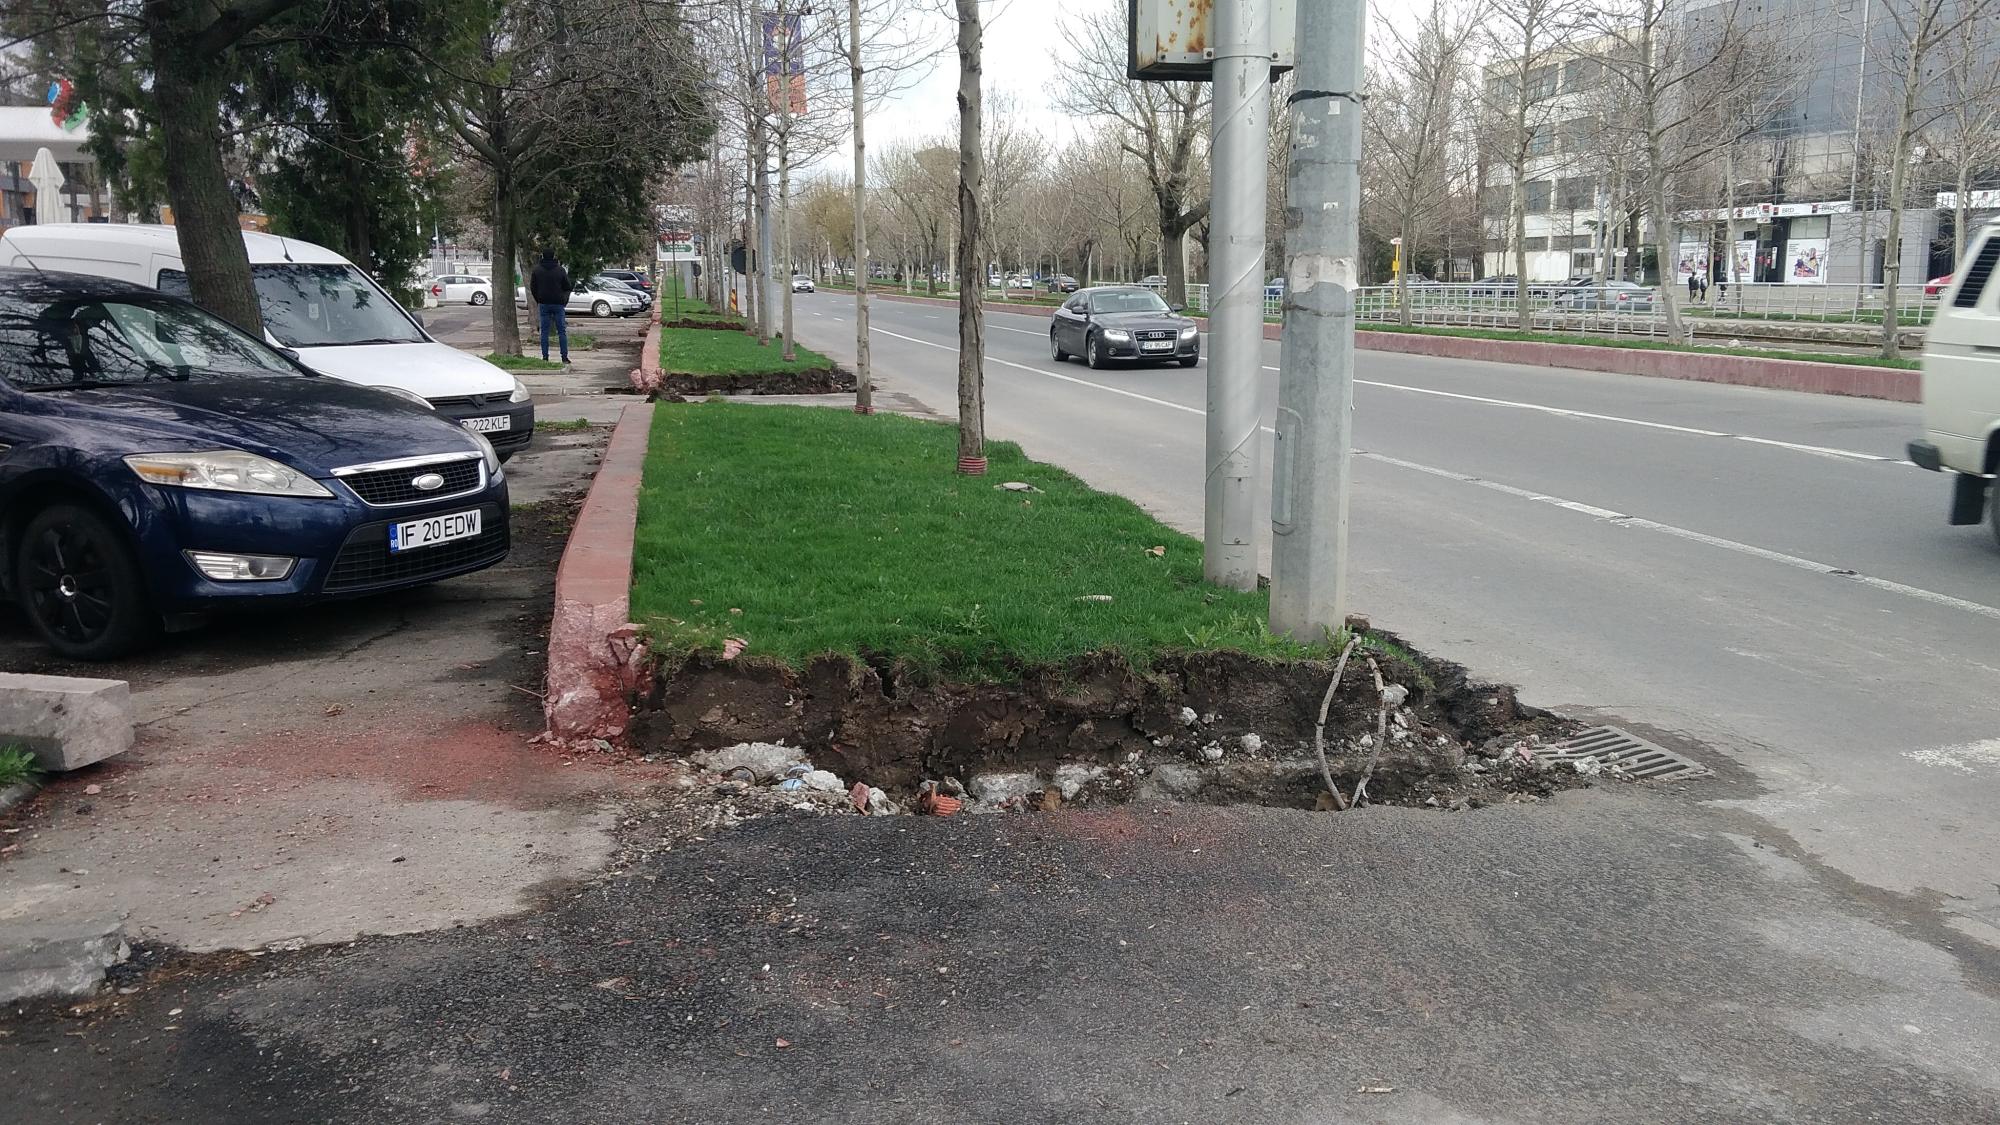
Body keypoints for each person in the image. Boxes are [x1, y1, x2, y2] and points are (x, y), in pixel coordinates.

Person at [529, 249, 573, 363]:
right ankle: (564, 357)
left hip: (544, 303)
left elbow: (533, 287)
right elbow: (567, 287)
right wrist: (564, 300)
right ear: (554, 256)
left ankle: (545, 357)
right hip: (558, 304)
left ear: (542, 256)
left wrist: (539, 299)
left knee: (544, 332)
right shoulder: (560, 270)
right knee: (561, 331)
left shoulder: (537, 270)